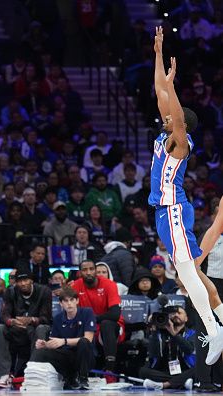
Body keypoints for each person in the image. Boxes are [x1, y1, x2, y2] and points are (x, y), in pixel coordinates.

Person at [152, 26, 223, 365]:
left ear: (180, 125)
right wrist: (158, 55)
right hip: (163, 211)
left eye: (170, 117)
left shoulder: (181, 142)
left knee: (186, 271)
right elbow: (159, 91)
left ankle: (213, 326)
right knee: (185, 272)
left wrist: (173, 89)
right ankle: (215, 322)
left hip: (175, 209)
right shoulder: (166, 134)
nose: (164, 115)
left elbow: (176, 114)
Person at [0, 270, 52, 387]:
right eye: (20, 281)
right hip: (16, 328)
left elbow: (46, 318)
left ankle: (36, 373)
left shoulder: (44, 291)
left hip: (35, 328)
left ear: (31, 281)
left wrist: (31, 320)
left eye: (26, 280)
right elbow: (4, 316)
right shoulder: (10, 291)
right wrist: (12, 321)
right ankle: (4, 374)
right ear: (16, 282)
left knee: (42, 328)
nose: (23, 283)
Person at [30, 287, 95, 390]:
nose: (69, 304)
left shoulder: (87, 312)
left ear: (77, 301)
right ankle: (33, 380)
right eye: (65, 301)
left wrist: (64, 341)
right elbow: (55, 342)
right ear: (61, 303)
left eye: (72, 300)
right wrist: (45, 344)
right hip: (67, 356)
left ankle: (83, 379)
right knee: (40, 352)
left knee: (83, 342)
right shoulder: (58, 318)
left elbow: (88, 339)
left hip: (85, 356)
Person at [72, 260, 124, 379]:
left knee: (106, 324)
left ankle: (110, 370)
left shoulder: (109, 284)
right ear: (80, 273)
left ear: (95, 270)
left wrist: (92, 319)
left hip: (111, 325)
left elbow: (115, 314)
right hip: (87, 325)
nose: (89, 272)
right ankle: (79, 373)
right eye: (85, 270)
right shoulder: (75, 285)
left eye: (91, 269)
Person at [141, 306, 195, 390]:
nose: (176, 315)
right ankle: (182, 383)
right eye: (173, 314)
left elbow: (189, 350)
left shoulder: (192, 333)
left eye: (179, 313)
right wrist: (154, 331)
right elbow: (153, 354)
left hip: (184, 370)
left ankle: (164, 385)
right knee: (143, 371)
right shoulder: (160, 333)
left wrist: (174, 334)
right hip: (164, 371)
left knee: (197, 369)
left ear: (186, 318)